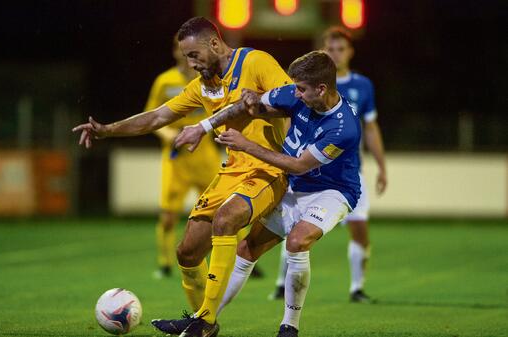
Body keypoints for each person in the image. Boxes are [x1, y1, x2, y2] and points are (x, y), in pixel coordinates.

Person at [73, 17, 291, 337]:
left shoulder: (255, 61)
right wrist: (108, 130)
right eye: (186, 57)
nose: (190, 64)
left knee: (226, 220)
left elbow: (291, 100)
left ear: (214, 44)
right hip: (232, 171)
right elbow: (159, 116)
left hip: (269, 168)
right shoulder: (202, 86)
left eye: (193, 55)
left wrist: (263, 115)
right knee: (187, 252)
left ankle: (202, 322)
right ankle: (205, 322)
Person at [211, 50, 362, 337]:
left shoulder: (344, 127)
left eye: (302, 89)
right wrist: (250, 100)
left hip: (333, 191)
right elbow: (257, 102)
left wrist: (246, 144)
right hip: (296, 187)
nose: (296, 94)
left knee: (297, 241)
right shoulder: (297, 93)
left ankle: (289, 327)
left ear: (322, 89)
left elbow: (299, 165)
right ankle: (205, 319)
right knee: (247, 248)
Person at [269, 26, 387, 303]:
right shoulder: (308, 87)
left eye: (340, 49)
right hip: (308, 171)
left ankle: (357, 288)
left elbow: (371, 128)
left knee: (360, 230)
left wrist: (382, 166)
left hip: (346, 175)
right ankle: (280, 283)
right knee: (294, 229)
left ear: (350, 52)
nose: (335, 54)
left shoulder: (362, 86)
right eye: (330, 49)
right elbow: (288, 117)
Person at [145, 35, 220, 279]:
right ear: (176, 53)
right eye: (183, 52)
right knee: (168, 216)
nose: (188, 57)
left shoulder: (209, 80)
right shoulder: (164, 81)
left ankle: (237, 259)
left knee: (221, 209)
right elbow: (152, 115)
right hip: (177, 155)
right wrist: (167, 134)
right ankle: (164, 262)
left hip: (204, 150)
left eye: (193, 52)